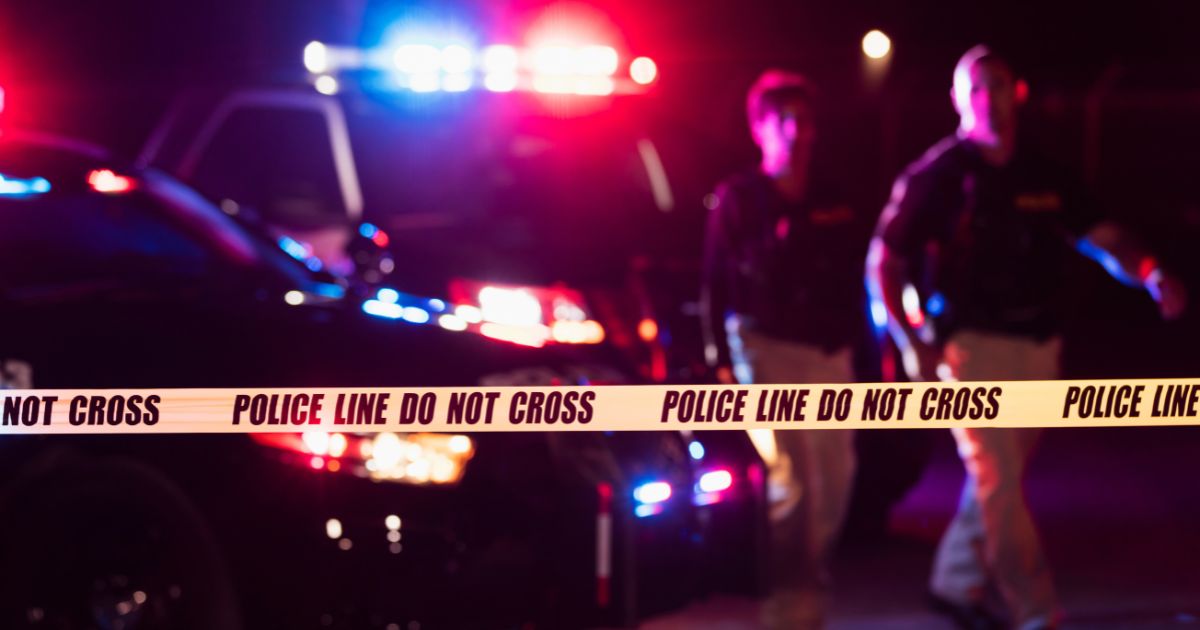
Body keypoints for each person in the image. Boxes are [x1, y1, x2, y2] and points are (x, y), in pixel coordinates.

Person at [867, 45, 1187, 630]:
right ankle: (1036, 611)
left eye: (998, 84)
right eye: (976, 87)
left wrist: (1151, 272)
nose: (988, 97)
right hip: (971, 350)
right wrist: (910, 340)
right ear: (959, 100)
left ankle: (954, 585)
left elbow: (1102, 233)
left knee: (1002, 478)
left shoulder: (1044, 170)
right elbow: (885, 260)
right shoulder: (939, 175)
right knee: (995, 476)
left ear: (1019, 92)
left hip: (1038, 347)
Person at [700, 69, 870, 629]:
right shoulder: (738, 200)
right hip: (763, 348)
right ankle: (782, 604)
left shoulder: (836, 196)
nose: (795, 131)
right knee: (791, 478)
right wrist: (721, 363)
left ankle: (807, 587)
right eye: (782, 120)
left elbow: (858, 279)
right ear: (760, 129)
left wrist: (873, 351)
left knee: (836, 478)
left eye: (803, 119)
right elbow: (715, 286)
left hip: (826, 353)